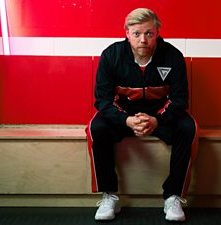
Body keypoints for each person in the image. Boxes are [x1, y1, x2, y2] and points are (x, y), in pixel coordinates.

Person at [85, 8, 198, 222]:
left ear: (157, 33)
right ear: (127, 33)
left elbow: (180, 99)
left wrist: (157, 120)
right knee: (96, 128)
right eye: (137, 33)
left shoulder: (173, 56)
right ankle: (109, 194)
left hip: (161, 115)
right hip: (124, 115)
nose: (143, 40)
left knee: (188, 127)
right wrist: (126, 120)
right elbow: (103, 100)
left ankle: (173, 196)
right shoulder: (111, 56)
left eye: (149, 33)